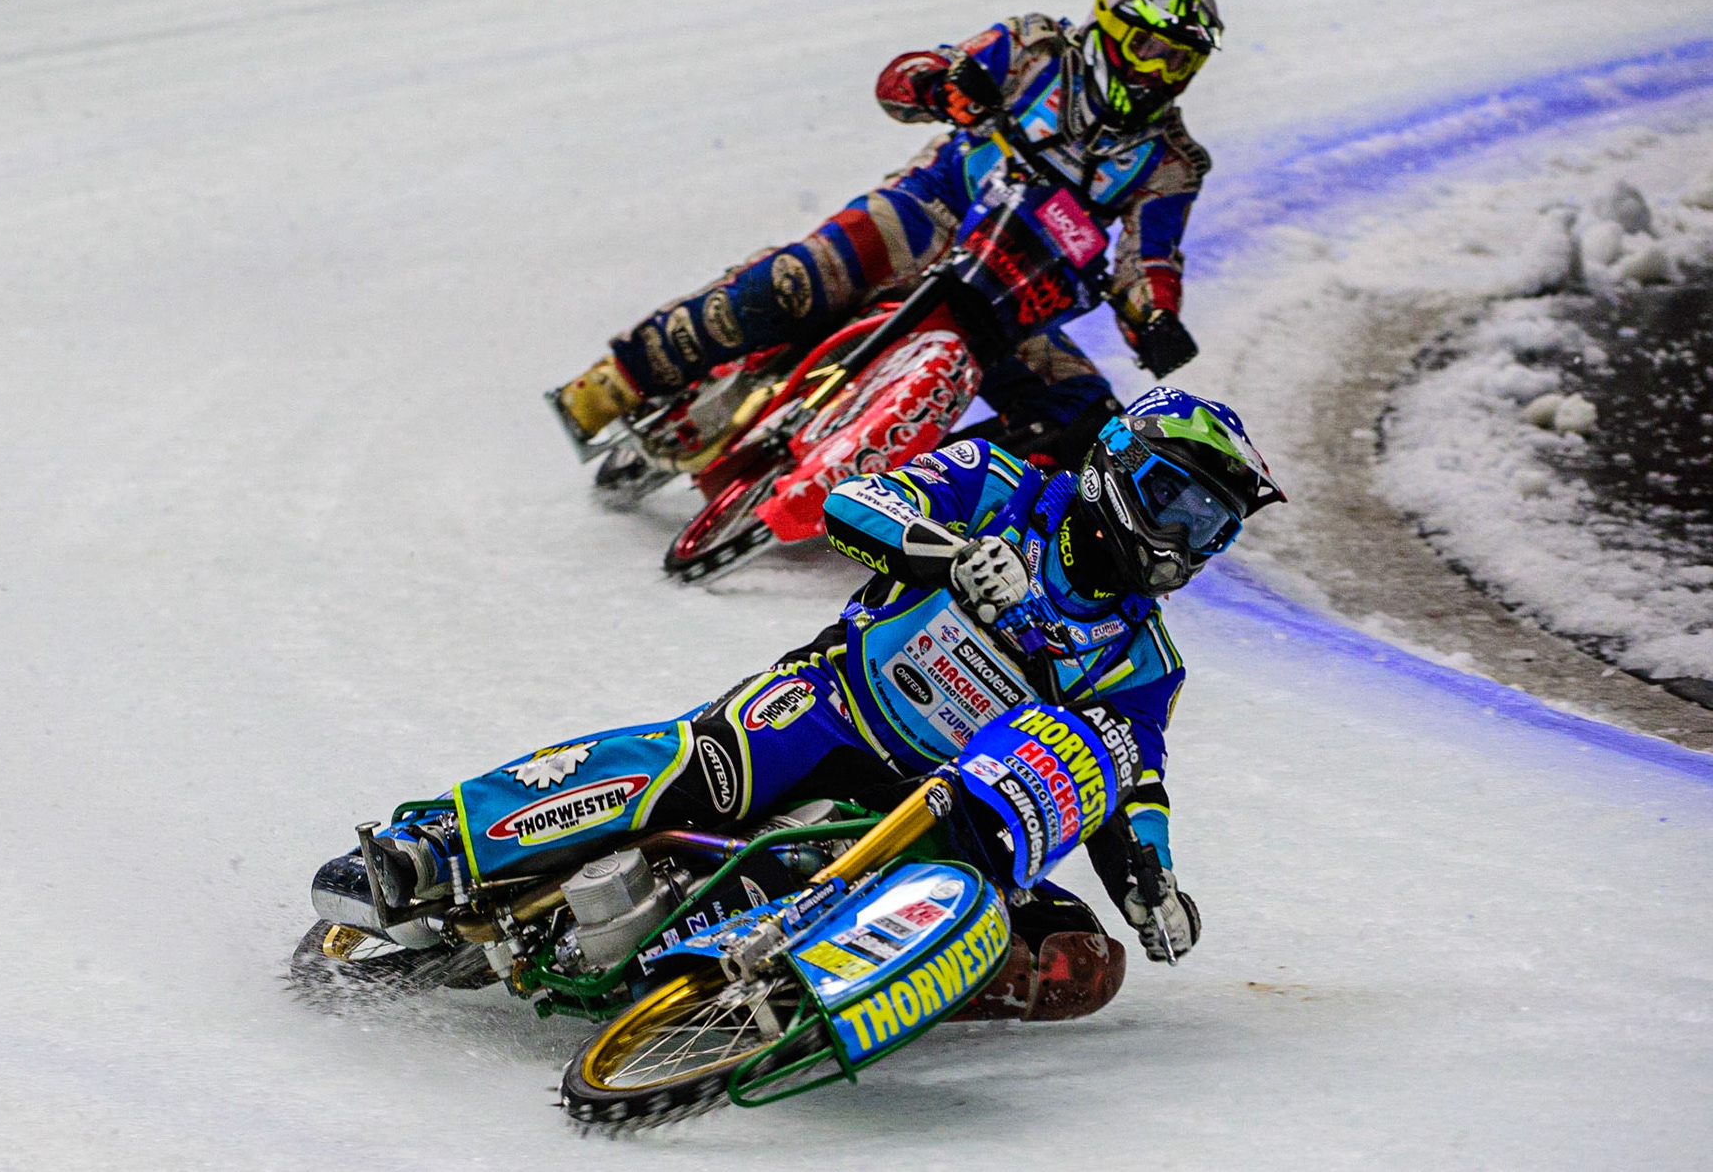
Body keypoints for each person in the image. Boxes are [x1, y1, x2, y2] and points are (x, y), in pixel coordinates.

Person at [357, 389, 1283, 1018]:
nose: (1185, 541)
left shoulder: (1145, 660)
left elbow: (1132, 778)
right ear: (1116, 464)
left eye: (1212, 525)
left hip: (944, 810)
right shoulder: (1000, 483)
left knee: (1075, 960)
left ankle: (794, 995)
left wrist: (1146, 882)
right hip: (836, 705)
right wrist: (945, 557)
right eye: (1177, 504)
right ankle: (441, 846)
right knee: (703, 769)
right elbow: (856, 502)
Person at [551, 0, 1224, 473]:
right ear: (1109, 28)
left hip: (1012, 293)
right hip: (924, 215)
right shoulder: (1036, 48)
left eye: (1182, 61)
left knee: (1088, 421)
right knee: (794, 281)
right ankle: (621, 380)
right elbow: (904, 79)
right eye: (1149, 50)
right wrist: (942, 84)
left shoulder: (1173, 161)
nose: (1160, 73)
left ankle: (945, 500)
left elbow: (1150, 258)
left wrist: (1155, 315)